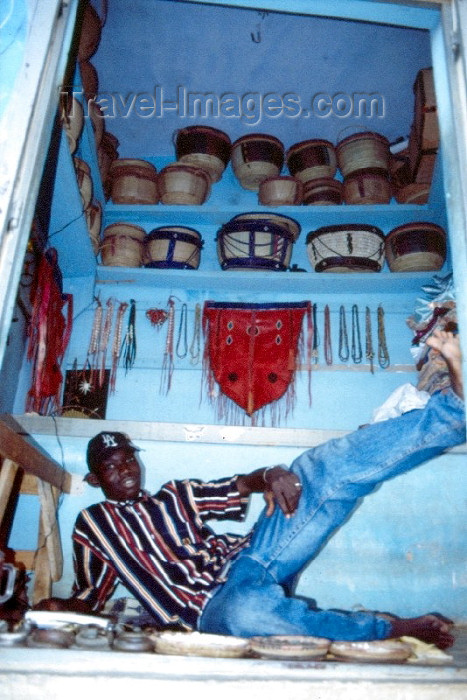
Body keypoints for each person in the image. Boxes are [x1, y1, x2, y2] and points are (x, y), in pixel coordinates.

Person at [36, 330, 465, 649]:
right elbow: (90, 596)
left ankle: (454, 410)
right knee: (248, 614)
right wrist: (48, 610)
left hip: (252, 556)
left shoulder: (175, 494)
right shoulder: (93, 524)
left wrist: (274, 473)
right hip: (209, 608)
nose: (125, 469)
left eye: (128, 458)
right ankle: (391, 627)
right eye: (110, 467)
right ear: (94, 479)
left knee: (315, 469)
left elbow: (241, 483)